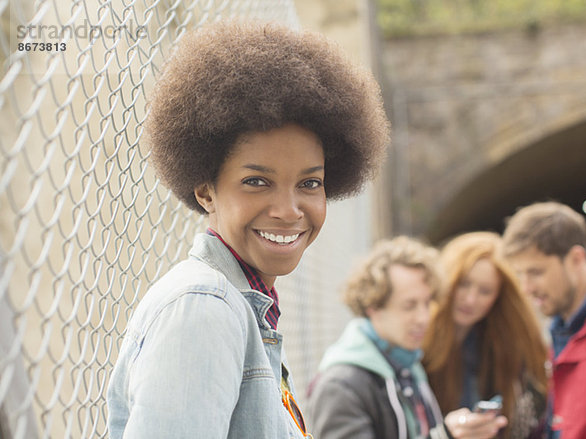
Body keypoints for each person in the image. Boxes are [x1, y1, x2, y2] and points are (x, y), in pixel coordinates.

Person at [106, 20, 389, 438]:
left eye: (310, 183)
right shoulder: (205, 308)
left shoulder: (246, 305)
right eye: (257, 181)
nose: (289, 210)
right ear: (206, 191)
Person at [307, 235, 507, 439]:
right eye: (409, 306)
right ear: (373, 306)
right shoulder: (341, 387)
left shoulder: (407, 366)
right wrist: (443, 435)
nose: (424, 318)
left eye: (427, 303)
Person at [422, 232, 548, 439]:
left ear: (498, 296)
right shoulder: (417, 342)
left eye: (485, 291)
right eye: (463, 284)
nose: (470, 300)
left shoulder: (506, 347)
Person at [502, 201, 586, 439]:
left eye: (536, 272)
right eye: (520, 275)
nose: (526, 288)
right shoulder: (556, 334)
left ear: (576, 259)